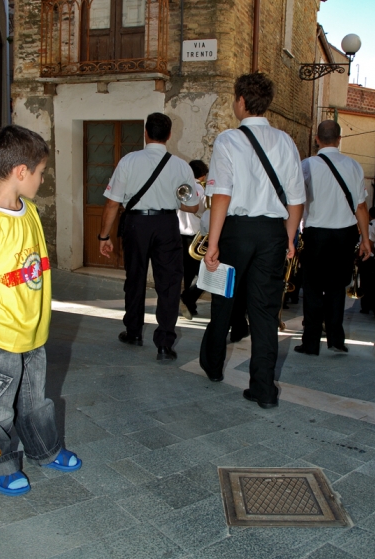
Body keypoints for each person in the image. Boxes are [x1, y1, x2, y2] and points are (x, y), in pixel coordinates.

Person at [0, 125, 82, 497]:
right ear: (21, 172)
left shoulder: (27, 212)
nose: (43, 179)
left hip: (33, 334)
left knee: (34, 401)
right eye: (41, 172)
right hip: (0, 337)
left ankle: (44, 449)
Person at [200, 73, 305, 409]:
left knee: (223, 301)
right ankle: (263, 389)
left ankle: (214, 367)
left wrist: (213, 243)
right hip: (273, 232)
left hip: (237, 232)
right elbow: (296, 199)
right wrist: (289, 238)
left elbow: (221, 194)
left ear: (242, 101)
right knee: (264, 311)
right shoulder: (286, 142)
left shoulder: (228, 140)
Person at [99, 112, 199, 361]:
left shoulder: (128, 161)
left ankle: (133, 332)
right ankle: (165, 343)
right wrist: (170, 199)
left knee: (135, 277)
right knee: (169, 283)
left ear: (145, 133)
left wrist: (104, 236)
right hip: (166, 224)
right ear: (169, 136)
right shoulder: (180, 166)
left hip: (137, 223)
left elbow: (112, 204)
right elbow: (193, 206)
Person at [295, 120, 372, 356]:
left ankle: (310, 343)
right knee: (338, 287)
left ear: (317, 139)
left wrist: (292, 234)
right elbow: (360, 206)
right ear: (339, 139)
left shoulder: (307, 165)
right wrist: (366, 240)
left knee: (313, 288)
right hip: (344, 236)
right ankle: (336, 339)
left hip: (316, 235)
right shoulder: (353, 166)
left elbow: (297, 201)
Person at [178, 159, 208, 320]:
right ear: (203, 175)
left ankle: (189, 303)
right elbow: (205, 212)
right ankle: (188, 298)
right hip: (196, 238)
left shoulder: (181, 188)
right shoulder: (202, 191)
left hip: (179, 235)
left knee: (186, 273)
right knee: (203, 274)